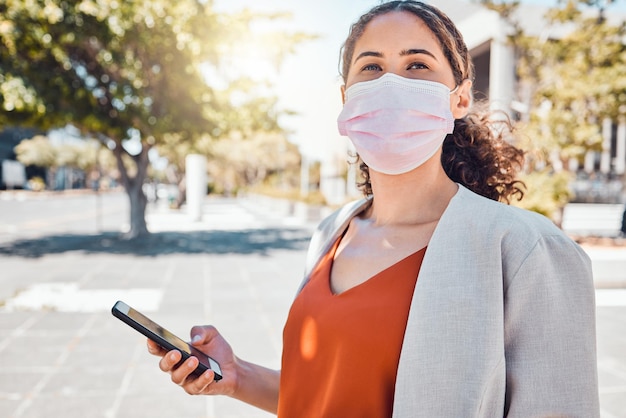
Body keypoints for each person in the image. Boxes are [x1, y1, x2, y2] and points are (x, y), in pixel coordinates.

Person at [147, 1, 600, 416]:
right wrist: (237, 376)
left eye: (417, 64)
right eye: (372, 67)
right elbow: (328, 392)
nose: (391, 83)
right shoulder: (333, 232)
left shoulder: (523, 249)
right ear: (347, 100)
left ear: (459, 99)